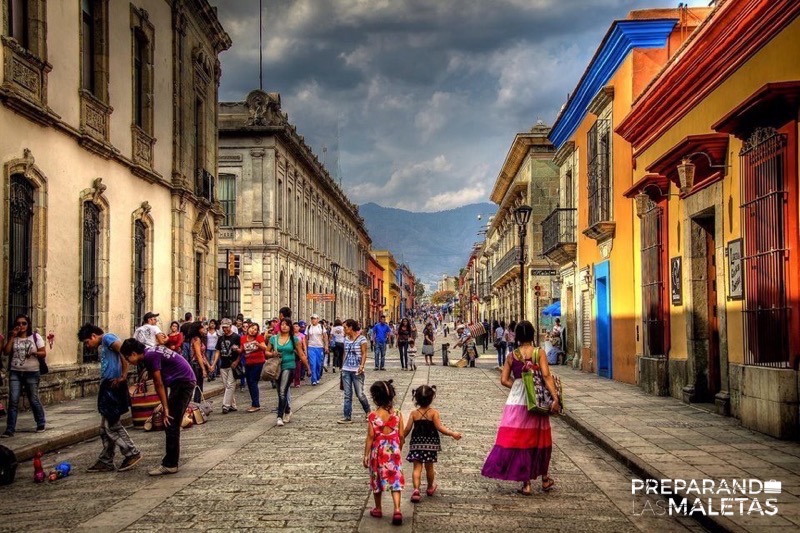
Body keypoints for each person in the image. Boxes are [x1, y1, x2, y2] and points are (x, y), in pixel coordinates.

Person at [481, 321, 560, 495]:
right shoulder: (539, 353)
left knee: (522, 440)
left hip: (517, 402)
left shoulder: (512, 355)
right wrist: (555, 398)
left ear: (516, 336)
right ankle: (545, 479)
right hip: (537, 401)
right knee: (541, 439)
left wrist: (519, 386)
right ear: (532, 334)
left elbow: (503, 380)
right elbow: (546, 375)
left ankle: (526, 484)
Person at [119, 340, 196, 476]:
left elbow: (158, 383)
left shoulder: (150, 357)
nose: (128, 362)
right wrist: (165, 404)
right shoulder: (151, 352)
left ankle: (170, 464)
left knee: (170, 422)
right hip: (182, 381)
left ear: (133, 353)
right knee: (171, 423)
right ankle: (170, 461)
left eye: (127, 358)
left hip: (183, 383)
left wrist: (165, 408)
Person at [78, 324, 142, 472]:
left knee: (111, 425)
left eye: (87, 342)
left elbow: (124, 353)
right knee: (104, 427)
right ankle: (106, 459)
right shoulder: (104, 344)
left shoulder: (108, 338)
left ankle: (132, 452)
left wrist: (123, 376)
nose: (88, 346)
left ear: (94, 336)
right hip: (108, 385)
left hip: (113, 386)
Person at [403, 385, 462, 503]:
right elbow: (440, 428)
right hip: (431, 444)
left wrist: (400, 438)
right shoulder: (434, 413)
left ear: (416, 399)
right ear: (431, 398)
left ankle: (416, 490)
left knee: (417, 467)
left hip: (416, 444)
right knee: (429, 467)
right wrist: (452, 433)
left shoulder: (414, 413)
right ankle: (430, 487)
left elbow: (407, 429)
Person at [364, 380, 405, 525]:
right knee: (395, 480)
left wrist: (366, 455)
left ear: (375, 398)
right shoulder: (398, 414)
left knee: (376, 479)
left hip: (378, 452)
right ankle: (397, 509)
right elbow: (401, 435)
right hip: (393, 451)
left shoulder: (373, 416)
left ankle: (378, 508)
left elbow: (370, 437)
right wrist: (399, 447)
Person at [2, 314, 46, 438]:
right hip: (15, 371)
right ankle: (10, 429)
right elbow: (6, 352)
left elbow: (43, 353)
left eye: (24, 323)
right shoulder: (14, 338)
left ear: (28, 325)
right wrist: (12, 336)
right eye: (18, 323)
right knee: (13, 401)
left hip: (32, 372)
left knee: (33, 399)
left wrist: (34, 352)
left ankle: (41, 422)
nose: (21, 326)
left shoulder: (35, 337)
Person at [267, 318, 310, 426]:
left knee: (282, 391)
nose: (284, 326)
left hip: (289, 366)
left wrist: (308, 368)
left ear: (290, 327)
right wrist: (272, 354)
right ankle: (287, 410)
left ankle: (279, 417)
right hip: (277, 367)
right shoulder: (273, 339)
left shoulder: (294, 339)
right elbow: (267, 352)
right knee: (280, 392)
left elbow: (301, 354)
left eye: (287, 325)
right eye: (282, 324)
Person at [338, 319, 371, 424]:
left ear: (351, 327)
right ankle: (347, 416)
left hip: (357, 370)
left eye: (345, 327)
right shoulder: (346, 339)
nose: (344, 330)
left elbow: (364, 353)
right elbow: (344, 353)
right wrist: (342, 367)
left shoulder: (362, 339)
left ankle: (369, 412)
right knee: (347, 394)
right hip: (346, 370)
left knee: (360, 394)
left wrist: (362, 365)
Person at [216, 318, 241, 413]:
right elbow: (217, 351)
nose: (224, 329)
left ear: (230, 327)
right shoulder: (220, 338)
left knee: (230, 384)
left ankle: (225, 405)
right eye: (223, 327)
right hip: (223, 364)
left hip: (232, 363)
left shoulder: (237, 337)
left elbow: (241, 351)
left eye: (226, 327)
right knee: (227, 386)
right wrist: (214, 364)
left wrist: (237, 361)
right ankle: (233, 405)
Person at [241, 323, 268, 412]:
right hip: (248, 362)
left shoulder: (259, 337)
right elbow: (242, 350)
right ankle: (254, 403)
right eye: (252, 328)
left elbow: (265, 347)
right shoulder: (243, 338)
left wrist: (258, 344)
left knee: (253, 382)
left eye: (255, 329)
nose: (253, 330)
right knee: (249, 383)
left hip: (258, 362)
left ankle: (256, 404)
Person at [186, 321, 211, 403]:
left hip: (198, 363)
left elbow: (202, 355)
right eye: (201, 327)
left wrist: (208, 365)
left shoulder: (198, 338)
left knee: (198, 386)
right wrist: (203, 369)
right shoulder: (196, 339)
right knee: (198, 386)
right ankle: (197, 406)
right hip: (196, 364)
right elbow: (198, 355)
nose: (204, 328)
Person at [305, 314, 328, 386]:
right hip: (311, 347)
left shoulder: (321, 327)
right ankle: (313, 379)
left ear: (317, 319)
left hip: (320, 347)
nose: (313, 320)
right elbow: (306, 338)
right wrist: (306, 348)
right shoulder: (308, 327)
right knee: (312, 363)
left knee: (319, 364)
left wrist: (326, 346)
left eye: (314, 319)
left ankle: (318, 377)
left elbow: (325, 337)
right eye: (312, 319)